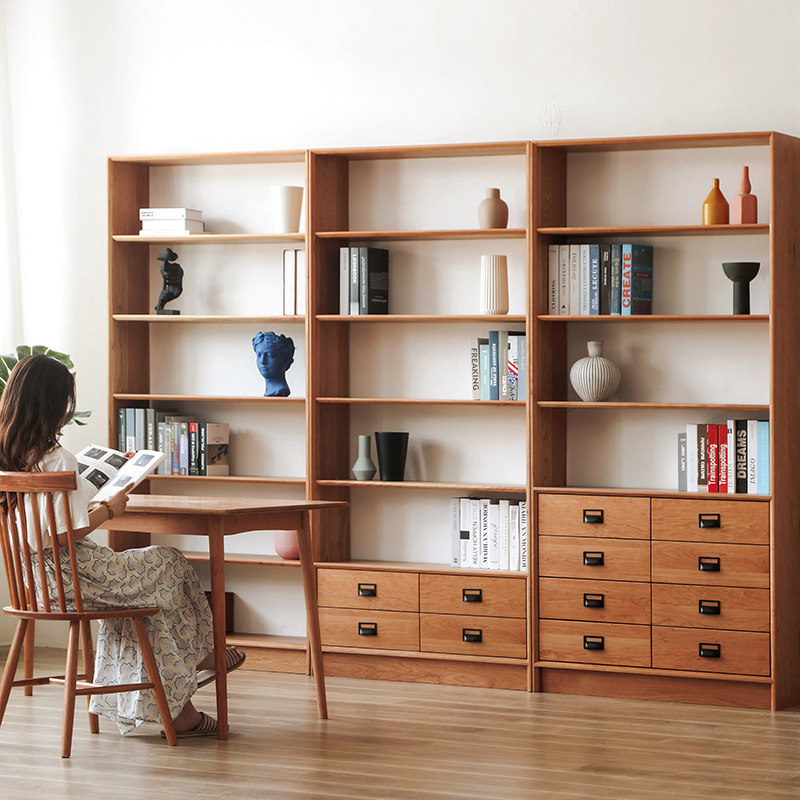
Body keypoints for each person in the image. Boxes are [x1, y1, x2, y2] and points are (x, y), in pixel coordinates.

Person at [0, 354, 245, 737]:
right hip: (77, 576)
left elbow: (39, 528)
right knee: (172, 560)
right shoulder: (56, 459)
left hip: (37, 586)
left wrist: (92, 500)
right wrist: (108, 511)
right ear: (53, 405)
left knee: (151, 602)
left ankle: (180, 713)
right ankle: (201, 655)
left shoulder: (9, 461)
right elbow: (63, 536)